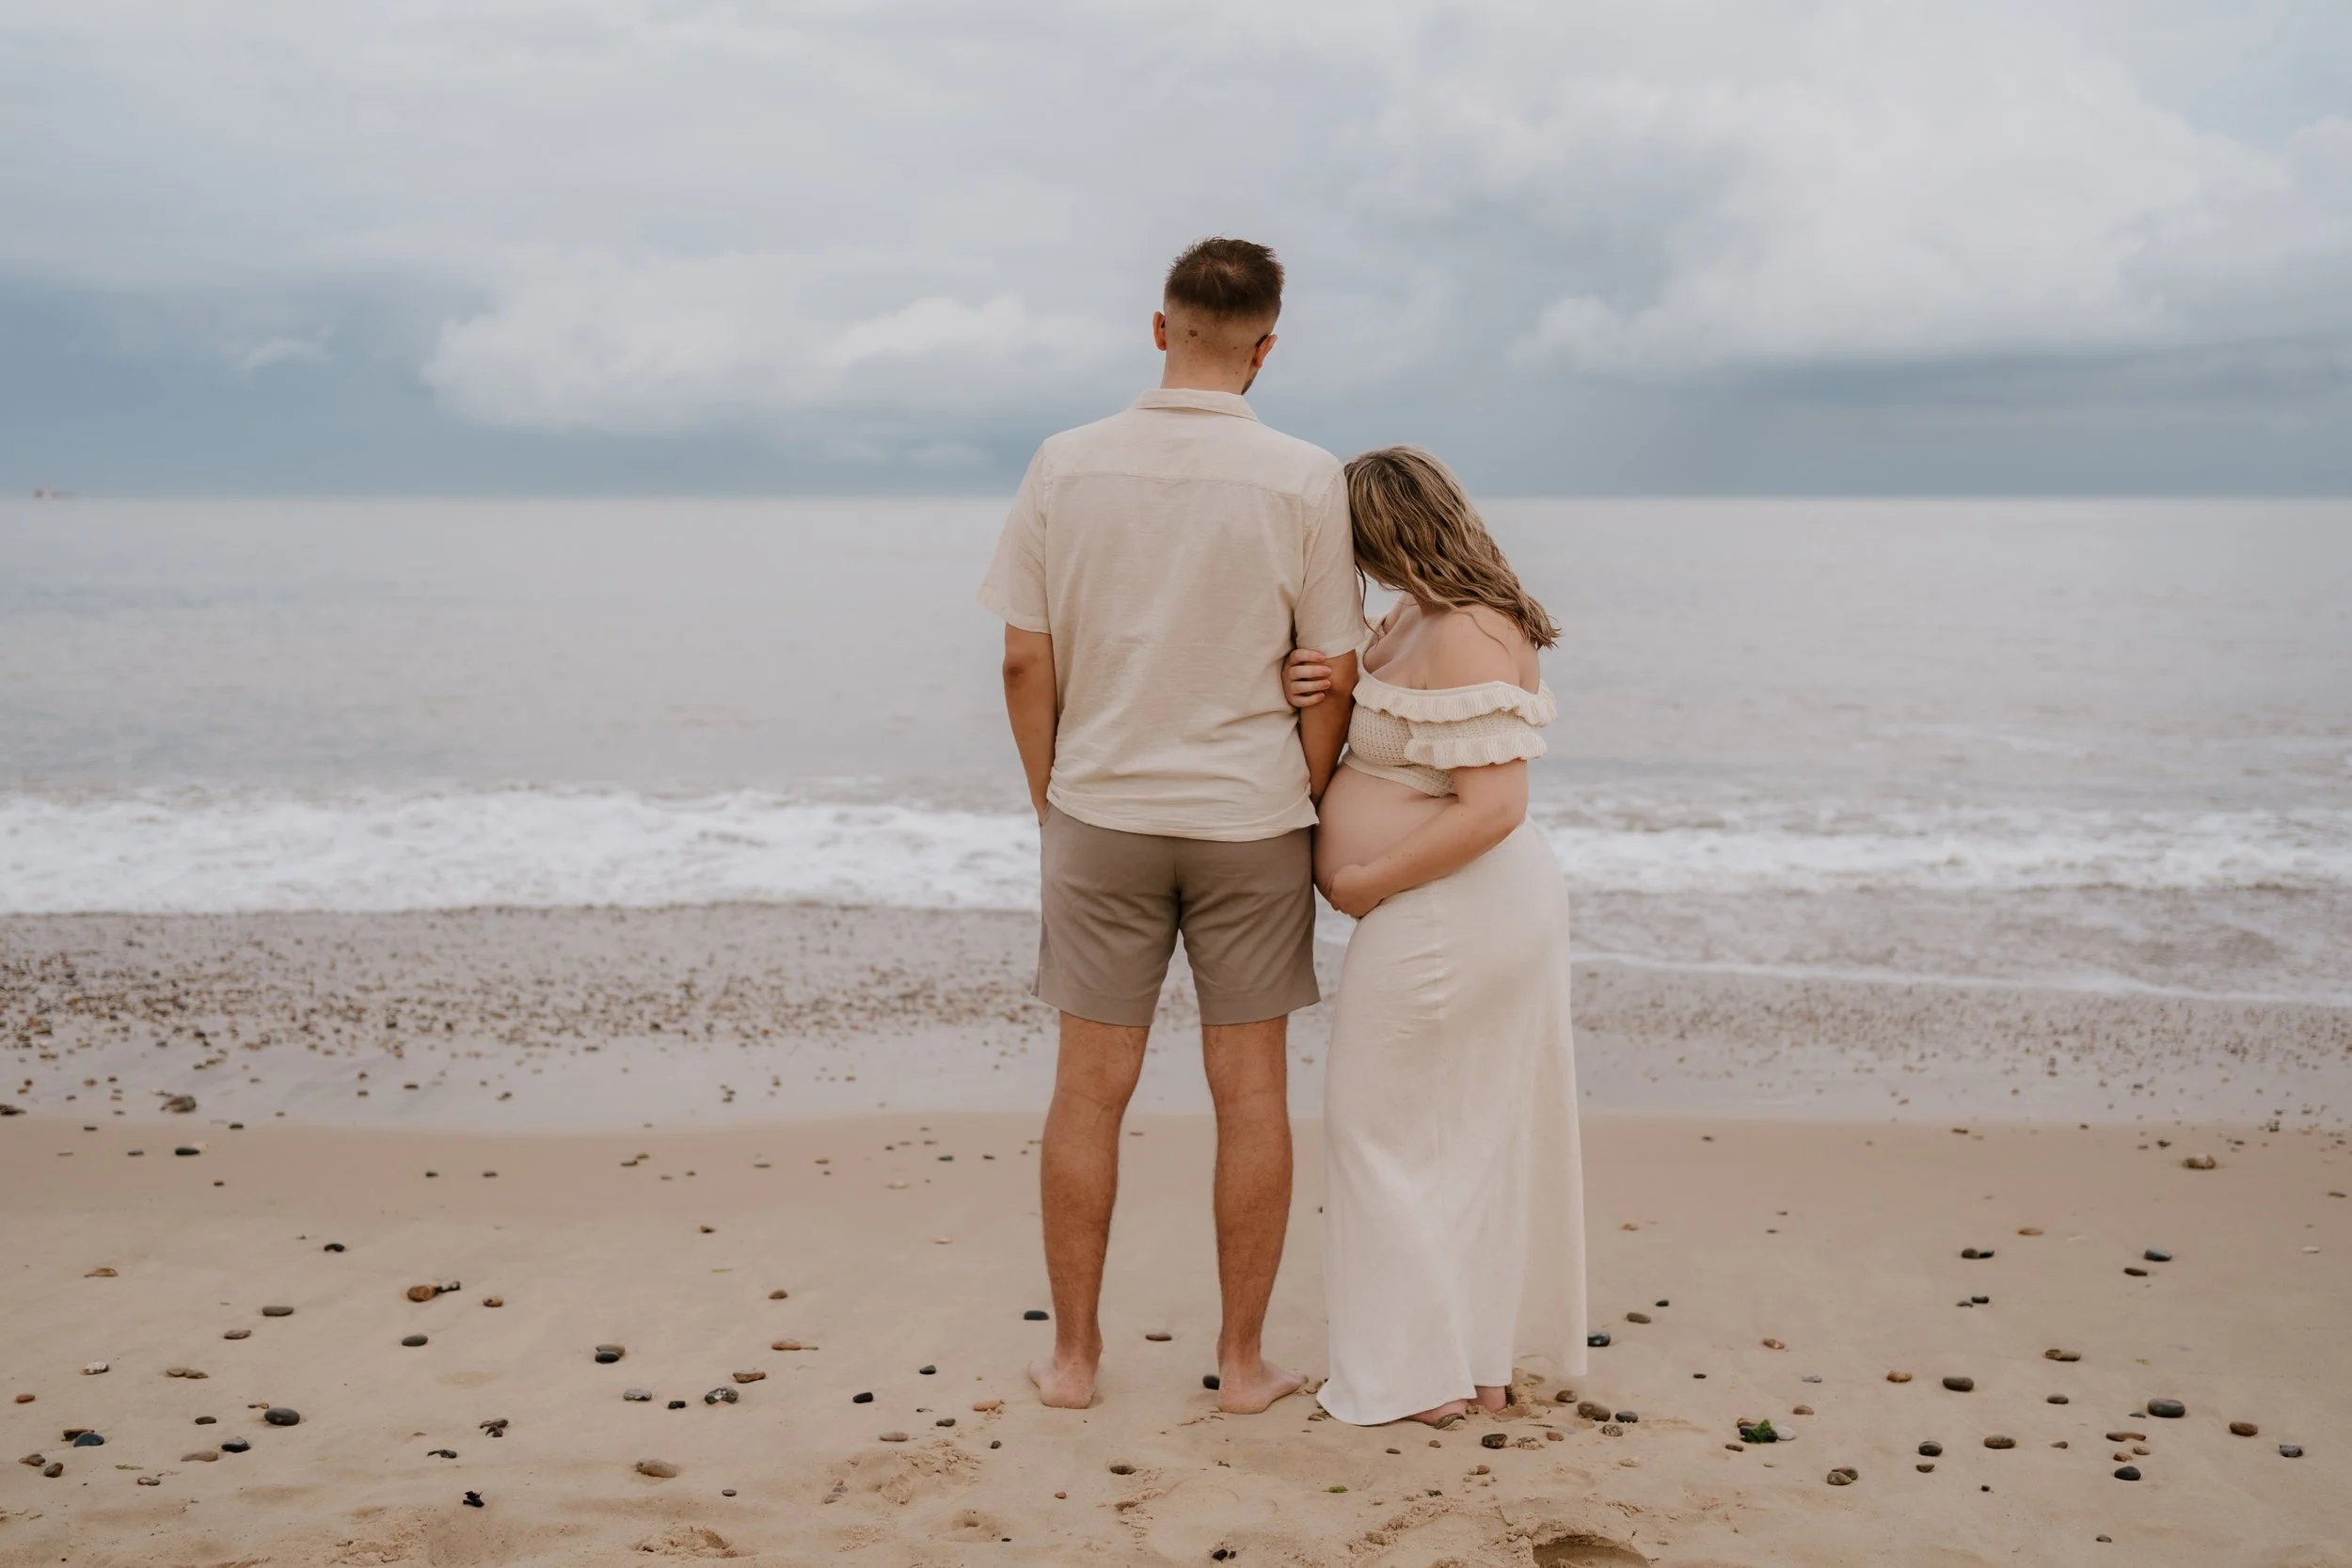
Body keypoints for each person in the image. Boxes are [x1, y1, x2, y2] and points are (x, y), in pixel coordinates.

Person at [977, 237, 1366, 1413]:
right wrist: (1297, 788)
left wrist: (1057, 799)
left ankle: (1075, 1362)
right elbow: (1333, 668)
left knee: (1087, 1090)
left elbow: (1019, 659)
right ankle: (1243, 1366)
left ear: (1159, 328)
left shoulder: (1065, 463)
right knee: (1250, 1090)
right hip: (1251, 817)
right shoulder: (1305, 477)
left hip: (1102, 811)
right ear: (1266, 346)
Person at [1281, 447, 1586, 1427]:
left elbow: (1495, 805)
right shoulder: (1410, 614)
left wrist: (1362, 878)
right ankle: (1471, 1365)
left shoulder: (1466, 630)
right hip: (1446, 906)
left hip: (1462, 909)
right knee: (1452, 1134)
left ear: (1382, 532)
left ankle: (1419, 1375)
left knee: (1379, 1127)